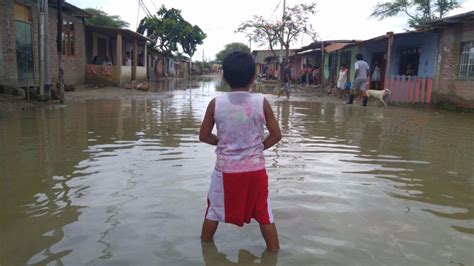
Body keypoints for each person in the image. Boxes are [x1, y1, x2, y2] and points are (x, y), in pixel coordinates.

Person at [199, 51, 281, 252]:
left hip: (226, 171)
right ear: (253, 77)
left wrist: (223, 143)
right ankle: (273, 254)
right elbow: (276, 135)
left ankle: (206, 251)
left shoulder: (215, 104)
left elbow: (203, 136)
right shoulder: (261, 102)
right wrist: (257, 149)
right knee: (264, 214)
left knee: (214, 211)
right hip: (255, 170)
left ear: (224, 77)